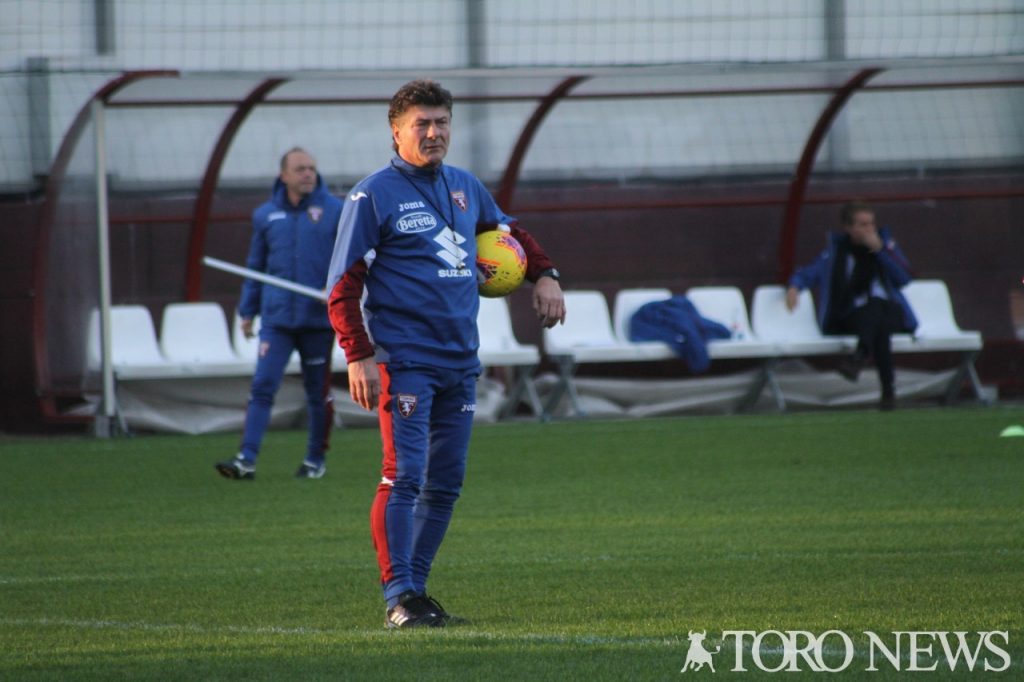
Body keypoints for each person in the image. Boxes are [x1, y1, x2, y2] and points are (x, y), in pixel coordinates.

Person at [325, 79, 565, 628]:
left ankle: (418, 592)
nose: (433, 133)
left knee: (446, 483)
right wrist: (358, 355)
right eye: (421, 125)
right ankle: (398, 599)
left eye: (441, 123)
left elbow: (509, 232)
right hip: (404, 359)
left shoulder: (465, 187)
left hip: (461, 362)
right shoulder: (372, 195)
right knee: (402, 475)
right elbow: (342, 285)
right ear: (396, 131)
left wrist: (545, 275)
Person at [215, 148, 343, 480]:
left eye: (312, 168)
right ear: (283, 175)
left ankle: (316, 459)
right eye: (300, 169)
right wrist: (247, 311)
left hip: (318, 321)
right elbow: (256, 267)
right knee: (263, 385)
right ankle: (246, 459)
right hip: (277, 320)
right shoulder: (266, 215)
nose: (308, 174)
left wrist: (338, 289)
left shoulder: (336, 211)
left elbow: (349, 260)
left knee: (318, 392)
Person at [785, 200, 917, 410]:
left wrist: (880, 251)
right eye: (862, 225)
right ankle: (888, 391)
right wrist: (794, 286)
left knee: (879, 307)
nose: (869, 229)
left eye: (871, 224)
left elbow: (905, 278)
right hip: (854, 315)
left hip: (892, 313)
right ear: (848, 228)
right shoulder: (837, 253)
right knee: (877, 319)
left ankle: (860, 356)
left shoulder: (886, 246)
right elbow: (809, 272)